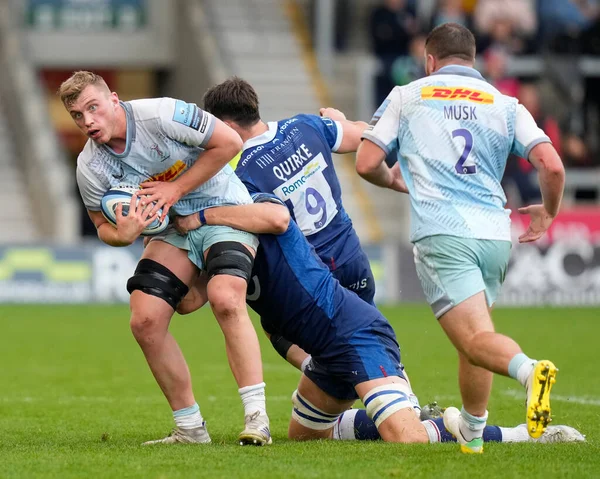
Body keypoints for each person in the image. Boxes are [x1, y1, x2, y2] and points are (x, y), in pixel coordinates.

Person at [175, 195, 584, 446]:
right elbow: (188, 302)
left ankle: (507, 433)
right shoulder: (221, 255)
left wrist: (203, 217)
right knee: (307, 437)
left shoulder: (251, 209)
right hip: (327, 354)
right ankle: (404, 411)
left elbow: (279, 218)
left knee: (404, 438)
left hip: (356, 333)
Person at [355, 23, 566, 453]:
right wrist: (549, 211)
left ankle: (530, 371)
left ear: (429, 60)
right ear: (473, 60)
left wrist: (394, 179)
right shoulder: (506, 103)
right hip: (494, 235)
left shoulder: (408, 95)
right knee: (476, 337)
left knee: (473, 339)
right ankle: (472, 432)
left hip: (443, 233)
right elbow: (553, 165)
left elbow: (366, 161)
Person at [58, 71, 272, 446]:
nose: (87, 120)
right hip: (172, 229)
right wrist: (121, 235)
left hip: (222, 207)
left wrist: (175, 188)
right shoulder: (89, 167)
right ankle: (190, 428)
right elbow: (99, 223)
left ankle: (257, 418)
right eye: (77, 115)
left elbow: (230, 142)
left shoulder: (162, 114)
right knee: (145, 320)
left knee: (226, 298)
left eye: (93, 107)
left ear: (113, 99)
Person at [194, 77, 389, 372]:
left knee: (275, 326)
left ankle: (324, 380)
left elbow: (269, 220)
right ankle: (408, 404)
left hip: (314, 273)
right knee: (373, 336)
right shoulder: (306, 125)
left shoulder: (241, 174)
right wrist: (344, 121)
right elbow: (368, 136)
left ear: (230, 127)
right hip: (352, 256)